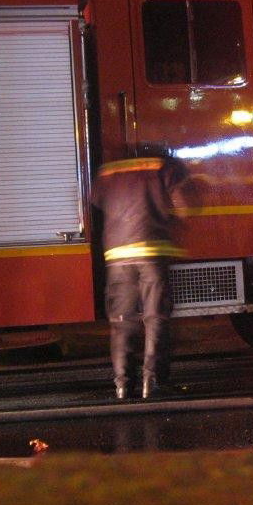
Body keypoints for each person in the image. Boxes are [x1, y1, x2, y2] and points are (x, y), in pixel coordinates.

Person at [91, 154, 186, 399]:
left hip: (117, 254)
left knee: (122, 322)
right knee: (155, 317)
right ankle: (152, 382)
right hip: (152, 252)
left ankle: (122, 385)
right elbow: (183, 206)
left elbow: (96, 202)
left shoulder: (109, 171)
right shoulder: (161, 166)